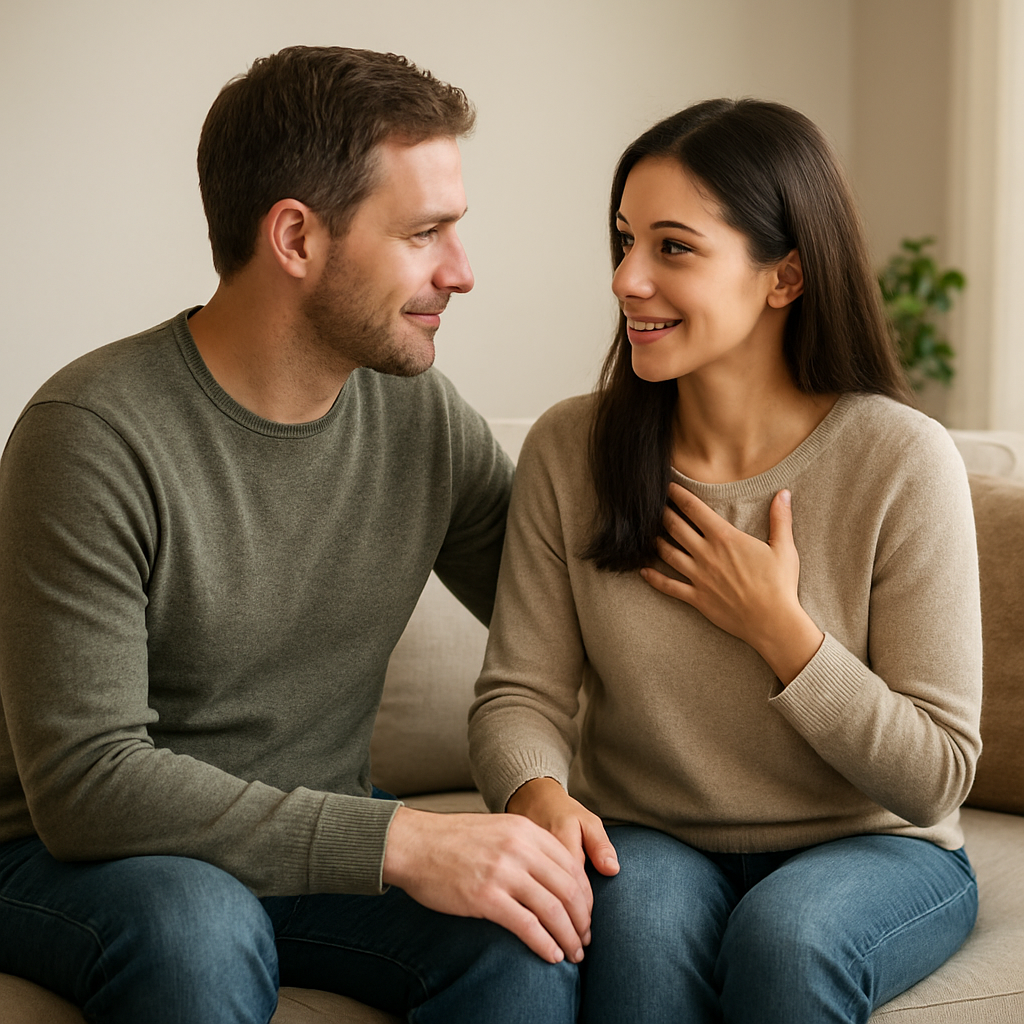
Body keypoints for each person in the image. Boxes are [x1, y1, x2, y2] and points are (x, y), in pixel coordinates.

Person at [0, 46, 588, 1024]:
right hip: (75, 862)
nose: (463, 271)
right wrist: (400, 839)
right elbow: (86, 782)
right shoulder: (91, 433)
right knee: (197, 921)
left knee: (518, 931)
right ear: (296, 239)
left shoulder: (419, 419)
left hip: (304, 864)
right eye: (425, 232)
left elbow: (568, 608)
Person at [469, 98, 982, 1024]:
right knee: (637, 927)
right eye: (624, 240)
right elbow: (519, 693)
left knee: (787, 940)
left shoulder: (901, 460)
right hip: (654, 837)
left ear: (784, 276)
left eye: (673, 247)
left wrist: (781, 631)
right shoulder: (570, 450)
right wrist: (536, 792)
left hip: (877, 845)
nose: (627, 278)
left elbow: (938, 774)